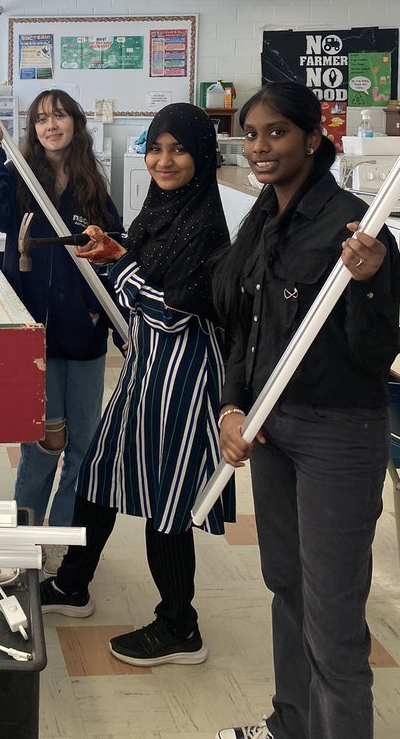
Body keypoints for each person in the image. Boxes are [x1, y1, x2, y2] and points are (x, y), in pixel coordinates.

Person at [210, 82, 400, 739]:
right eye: (252, 134)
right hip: (271, 428)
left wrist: (373, 282)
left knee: (333, 621)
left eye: (277, 133)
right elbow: (246, 329)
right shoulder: (263, 219)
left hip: (337, 434)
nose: (260, 147)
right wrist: (232, 406)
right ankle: (291, 724)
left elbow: (375, 353)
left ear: (313, 139)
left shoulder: (357, 228)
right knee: (285, 587)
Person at [40, 102, 233, 668]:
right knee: (100, 468)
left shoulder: (203, 223)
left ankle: (180, 625)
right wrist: (120, 251)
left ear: (201, 156)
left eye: (177, 150)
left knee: (166, 495)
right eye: (155, 148)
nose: (163, 161)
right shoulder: (161, 209)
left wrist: (121, 268)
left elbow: (172, 309)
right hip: (148, 363)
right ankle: (74, 584)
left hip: (185, 372)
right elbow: (148, 278)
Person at [0, 90, 124, 573]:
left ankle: (59, 543)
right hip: (32, 334)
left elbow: (114, 251)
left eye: (58, 116)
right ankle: (24, 537)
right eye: (40, 119)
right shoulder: (18, 179)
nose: (49, 125)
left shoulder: (93, 187)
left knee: (83, 444)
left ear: (75, 123)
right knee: (42, 444)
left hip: (84, 334)